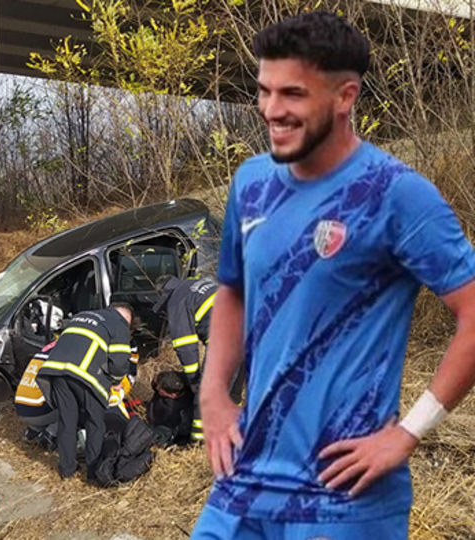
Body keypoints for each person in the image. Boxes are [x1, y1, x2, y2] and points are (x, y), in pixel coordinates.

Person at [193, 12, 475, 539]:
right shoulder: (251, 182)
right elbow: (233, 289)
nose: (271, 110)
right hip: (244, 480)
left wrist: (409, 432)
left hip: (343, 499)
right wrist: (212, 394)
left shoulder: (396, 194)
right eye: (265, 91)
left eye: (293, 94)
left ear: (345, 96)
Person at [35, 304, 134, 481]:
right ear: (126, 318)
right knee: (95, 423)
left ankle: (67, 470)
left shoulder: (81, 315)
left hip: (57, 372)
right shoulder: (118, 323)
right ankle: (93, 472)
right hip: (84, 376)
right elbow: (119, 362)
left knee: (67, 422)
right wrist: (117, 381)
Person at [152, 275, 246, 441]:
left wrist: (193, 379)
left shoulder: (176, 300)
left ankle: (199, 443)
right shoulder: (194, 284)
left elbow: (185, 345)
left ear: (163, 294)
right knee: (232, 391)